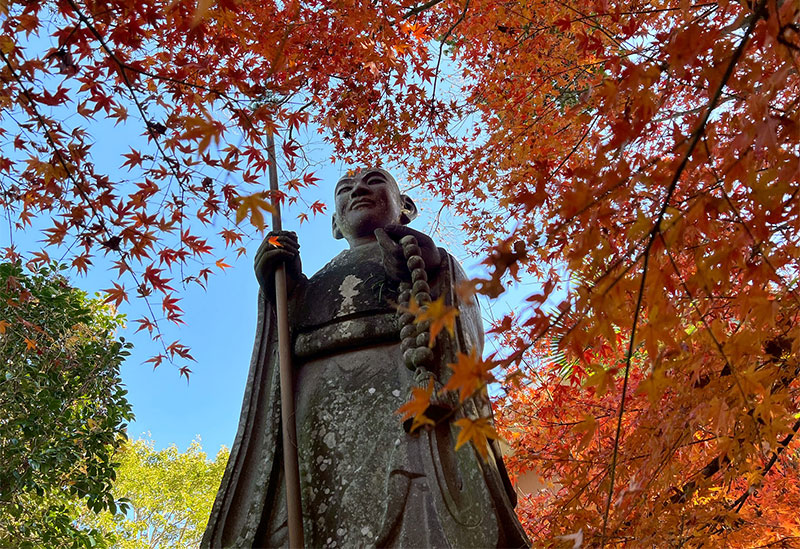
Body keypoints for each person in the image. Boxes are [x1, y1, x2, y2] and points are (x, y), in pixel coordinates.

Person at [202, 168, 528, 548]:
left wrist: (432, 266)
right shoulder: (311, 284)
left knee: (416, 506)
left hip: (404, 400)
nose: (357, 189)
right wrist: (280, 290)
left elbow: (464, 331)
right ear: (335, 225)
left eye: (374, 181)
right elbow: (279, 355)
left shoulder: (425, 259)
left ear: (405, 206)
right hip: (316, 408)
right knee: (312, 511)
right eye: (344, 189)